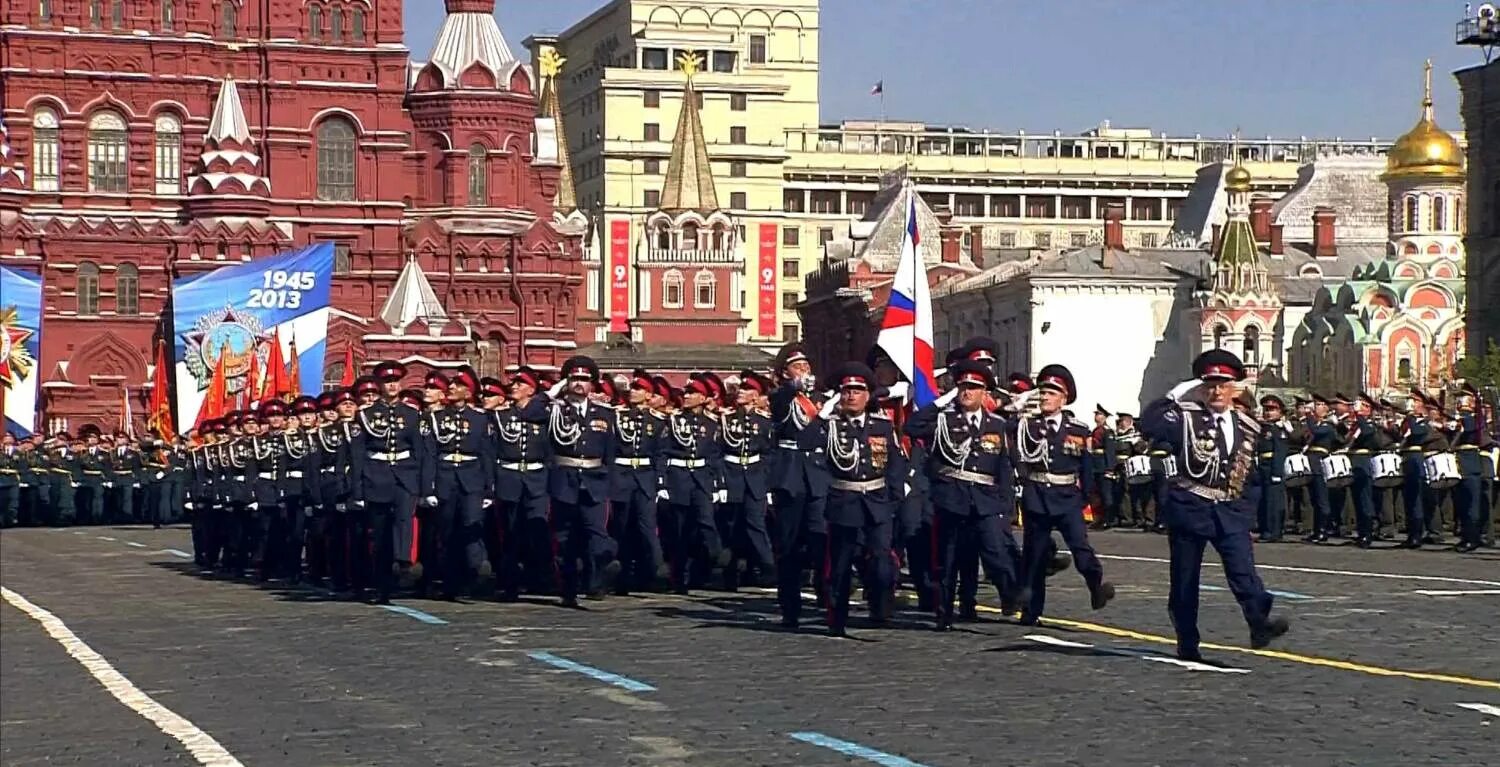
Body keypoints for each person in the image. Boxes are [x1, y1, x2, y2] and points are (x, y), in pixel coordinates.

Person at [1139, 349, 1290, 661]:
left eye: (1223, 384)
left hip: (1229, 510)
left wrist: (1247, 514)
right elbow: (1150, 424)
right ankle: (1187, 641)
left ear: (1235, 387)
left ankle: (1258, 623)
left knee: (1243, 572)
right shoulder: (1186, 419)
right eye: (1210, 385)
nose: (1217, 390)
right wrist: (1176, 393)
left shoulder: (1248, 426)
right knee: (1185, 579)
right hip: (1190, 506)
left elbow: (1252, 477)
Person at [906, 360, 1026, 630]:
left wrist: (1006, 504)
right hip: (951, 496)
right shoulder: (943, 420)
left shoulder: (997, 424)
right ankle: (944, 611)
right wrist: (940, 402)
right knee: (948, 558)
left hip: (985, 498)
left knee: (995, 548)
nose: (967, 392)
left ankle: (1011, 593)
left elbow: (1003, 466)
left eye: (973, 387)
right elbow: (912, 427)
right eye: (963, 386)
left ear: (985, 393)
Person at [1011, 364, 1114, 625]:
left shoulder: (1077, 429)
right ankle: (1031, 610)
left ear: (1063, 399)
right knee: (1035, 554)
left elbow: (1086, 466)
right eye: (1043, 392)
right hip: (1037, 495)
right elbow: (1006, 430)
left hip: (1068, 496)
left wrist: (1089, 498)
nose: (1045, 397)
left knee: (1081, 549)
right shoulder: (1027, 425)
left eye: (1052, 392)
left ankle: (1096, 586)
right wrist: (1018, 404)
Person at [816, 362, 906, 638]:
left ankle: (880, 602)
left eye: (858, 391)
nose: (851, 396)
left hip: (877, 501)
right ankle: (837, 617)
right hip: (844, 499)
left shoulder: (881, 425)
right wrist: (823, 415)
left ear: (868, 396)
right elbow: (806, 442)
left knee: (881, 562)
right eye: (847, 391)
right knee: (841, 566)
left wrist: (894, 496)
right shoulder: (831, 426)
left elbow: (894, 463)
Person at [543, 355, 619, 605]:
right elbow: (528, 413)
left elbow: (610, 453)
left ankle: (595, 582)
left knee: (597, 536)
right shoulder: (555, 409)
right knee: (565, 539)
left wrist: (610, 485)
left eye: (584, 380)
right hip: (564, 480)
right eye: (574, 378)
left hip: (594, 481)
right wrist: (551, 392)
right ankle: (568, 589)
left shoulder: (605, 414)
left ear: (592, 384)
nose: (579, 384)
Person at [349, 360, 425, 604]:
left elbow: (420, 451)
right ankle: (383, 584)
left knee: (403, 521)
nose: (392, 386)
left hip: (404, 475)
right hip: (376, 476)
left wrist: (423, 486)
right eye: (387, 382)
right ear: (380, 385)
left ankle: (403, 561)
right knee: (380, 534)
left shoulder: (412, 414)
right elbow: (358, 456)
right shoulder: (365, 416)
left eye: (395, 382)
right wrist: (357, 491)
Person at [767, 343, 830, 628]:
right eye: (797, 366)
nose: (804, 371)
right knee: (789, 545)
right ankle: (790, 605)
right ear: (785, 373)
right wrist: (793, 385)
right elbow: (781, 401)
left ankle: (826, 596)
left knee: (821, 539)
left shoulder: (820, 399)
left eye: (806, 366)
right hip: (790, 476)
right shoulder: (782, 397)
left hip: (817, 476)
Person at [419, 367, 496, 600]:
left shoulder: (481, 419)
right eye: (451, 385)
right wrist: (428, 488)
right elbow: (430, 455)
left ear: (469, 392)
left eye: (458, 385)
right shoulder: (436, 418)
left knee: (471, 526)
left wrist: (488, 488)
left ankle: (475, 573)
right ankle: (451, 582)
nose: (451, 388)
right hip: (445, 479)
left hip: (472, 479)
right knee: (448, 532)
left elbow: (486, 455)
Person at [717, 370, 775, 590]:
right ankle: (730, 571)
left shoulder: (765, 422)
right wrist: (720, 482)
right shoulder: (726, 419)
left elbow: (770, 453)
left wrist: (767, 481)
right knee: (731, 525)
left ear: (756, 395)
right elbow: (718, 451)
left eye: (747, 389)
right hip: (732, 475)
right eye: (741, 389)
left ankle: (767, 567)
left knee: (756, 523)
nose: (741, 392)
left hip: (755, 477)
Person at [610, 369, 666, 595]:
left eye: (639, 389)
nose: (633, 392)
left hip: (645, 477)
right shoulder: (617, 416)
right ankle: (622, 575)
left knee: (646, 526)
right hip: (622, 475)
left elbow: (660, 453)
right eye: (632, 388)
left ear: (649, 395)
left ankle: (652, 571)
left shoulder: (658, 421)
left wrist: (660, 482)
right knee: (622, 527)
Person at [1255, 395, 1293, 543]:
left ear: (1280, 412)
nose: (1268, 413)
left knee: (1273, 502)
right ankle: (1265, 529)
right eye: (1266, 409)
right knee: (1264, 500)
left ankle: (1273, 531)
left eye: (1272, 410)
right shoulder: (1264, 428)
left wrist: (1277, 472)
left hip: (1272, 467)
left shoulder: (1279, 430)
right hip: (1263, 466)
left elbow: (1279, 452)